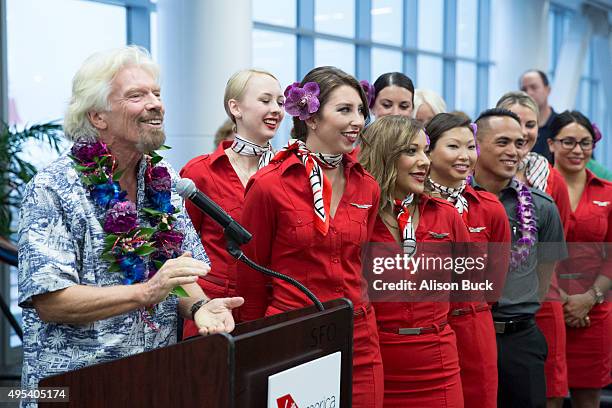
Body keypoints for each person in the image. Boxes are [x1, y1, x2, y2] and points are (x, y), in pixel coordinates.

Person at [17, 46, 243, 396]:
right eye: (137, 95)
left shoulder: (161, 177)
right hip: (79, 388)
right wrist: (147, 292)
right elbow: (50, 300)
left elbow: (178, 272)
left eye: (156, 93)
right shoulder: (52, 189)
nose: (156, 104)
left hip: (155, 379)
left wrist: (200, 307)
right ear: (97, 116)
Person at [236, 66, 384, 407]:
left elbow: (364, 264)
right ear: (312, 119)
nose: (358, 121)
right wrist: (256, 347)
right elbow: (252, 275)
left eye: (361, 110)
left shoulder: (368, 186)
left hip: (360, 337)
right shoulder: (270, 184)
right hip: (292, 334)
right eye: (345, 110)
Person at [360, 115, 470, 407]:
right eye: (412, 151)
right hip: (376, 360)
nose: (425, 161)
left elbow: (467, 292)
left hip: (439, 363)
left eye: (425, 150)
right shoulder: (359, 217)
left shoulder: (446, 215)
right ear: (385, 155)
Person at [472, 108, 567, 408]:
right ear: (476, 144)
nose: (514, 152)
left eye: (519, 143)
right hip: (469, 335)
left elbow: (543, 278)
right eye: (502, 142)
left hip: (519, 338)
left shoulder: (542, 207)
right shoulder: (452, 204)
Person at [180, 69, 284, 338]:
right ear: (235, 107)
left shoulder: (289, 173)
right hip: (212, 309)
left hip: (271, 307)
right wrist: (196, 304)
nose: (276, 110)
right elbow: (175, 251)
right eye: (266, 100)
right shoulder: (200, 172)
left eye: (281, 102)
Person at [425, 113, 511, 408]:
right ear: (428, 151)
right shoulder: (407, 206)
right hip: (425, 330)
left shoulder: (489, 208)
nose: (465, 156)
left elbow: (494, 285)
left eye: (470, 147)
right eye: (453, 147)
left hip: (473, 327)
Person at [496, 91, 571, 407]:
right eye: (514, 121)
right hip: (493, 309)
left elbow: (556, 240)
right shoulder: (476, 180)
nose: (523, 132)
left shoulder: (551, 181)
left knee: (545, 394)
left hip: (541, 305)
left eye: (530, 124)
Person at [548, 110, 611, 408]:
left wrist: (590, 297)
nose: (577, 150)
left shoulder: (607, 192)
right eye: (568, 142)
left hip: (594, 311)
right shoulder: (533, 191)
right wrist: (559, 299)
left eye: (585, 143)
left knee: (589, 397)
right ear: (551, 144)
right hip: (546, 307)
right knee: (550, 394)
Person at [519, 70, 555, 163]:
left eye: (534, 87)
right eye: (524, 89)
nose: (529, 93)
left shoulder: (561, 126)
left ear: (548, 90)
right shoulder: (515, 127)